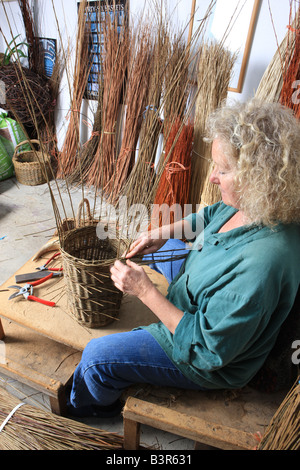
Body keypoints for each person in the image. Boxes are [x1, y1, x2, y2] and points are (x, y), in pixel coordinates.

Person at [67, 99, 300, 418]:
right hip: (205, 286)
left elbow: (206, 349)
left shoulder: (261, 266)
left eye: (223, 170)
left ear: (257, 178)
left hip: (203, 348)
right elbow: (211, 216)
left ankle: (91, 409)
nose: (212, 178)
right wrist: (161, 232)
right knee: (158, 248)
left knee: (95, 358)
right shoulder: (262, 201)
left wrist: (145, 291)